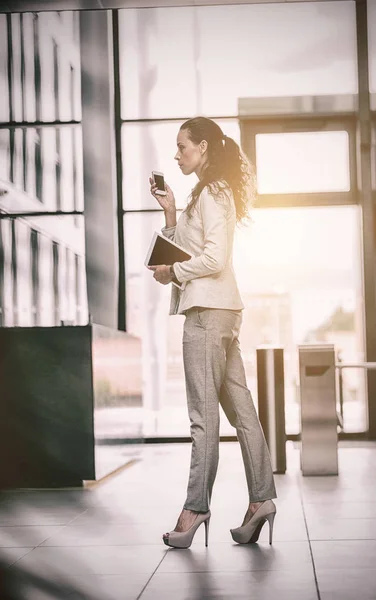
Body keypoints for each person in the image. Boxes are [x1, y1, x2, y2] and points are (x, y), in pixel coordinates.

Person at [148, 117, 277, 549]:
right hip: (221, 310)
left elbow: (214, 258)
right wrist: (169, 213)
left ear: (203, 147)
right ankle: (261, 499)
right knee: (243, 414)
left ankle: (196, 507)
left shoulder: (214, 193)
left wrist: (175, 271)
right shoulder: (205, 194)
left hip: (207, 313)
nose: (177, 154)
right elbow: (182, 249)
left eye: (183, 146)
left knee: (203, 420)